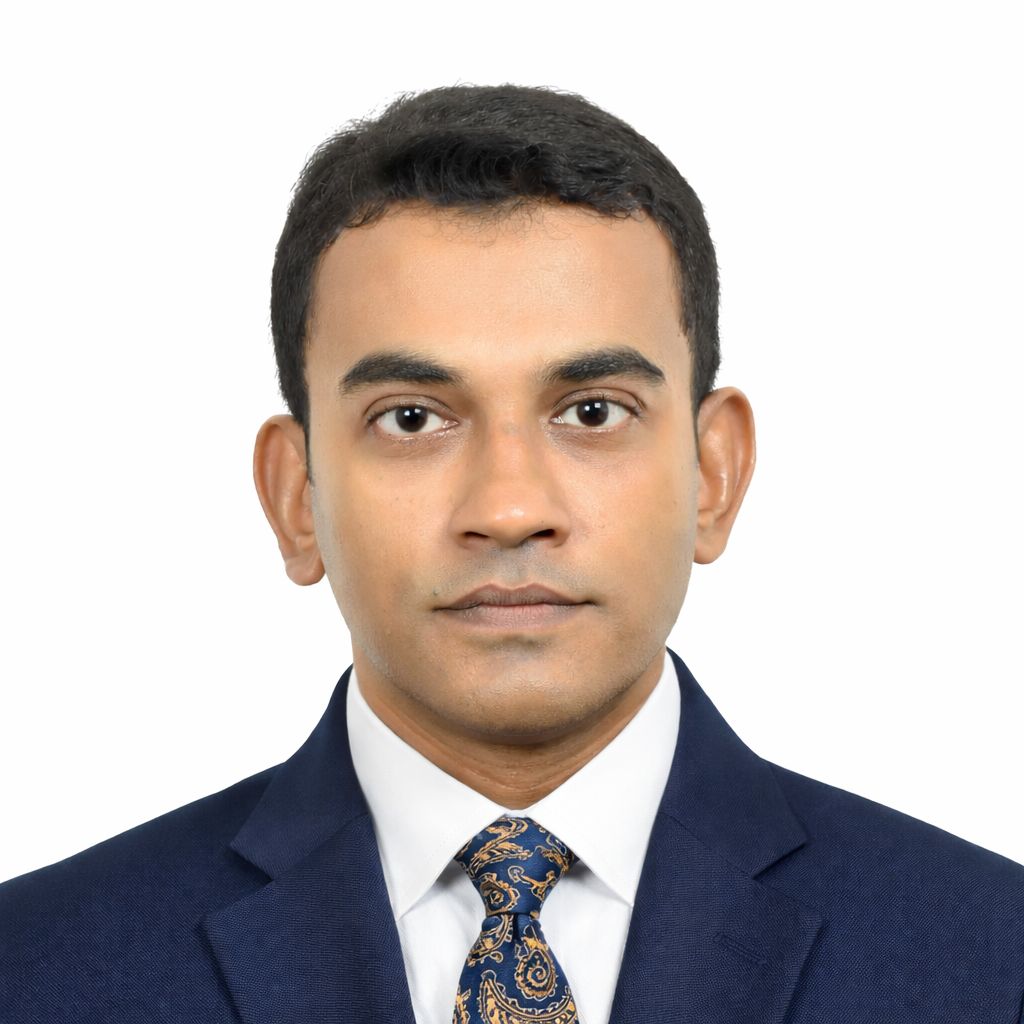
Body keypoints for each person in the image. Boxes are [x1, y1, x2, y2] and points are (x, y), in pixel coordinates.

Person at [1, 83, 1021, 1024]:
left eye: (592, 411)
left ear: (713, 473)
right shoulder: (35, 968)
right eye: (411, 418)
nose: (510, 508)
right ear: (295, 496)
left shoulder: (990, 958)